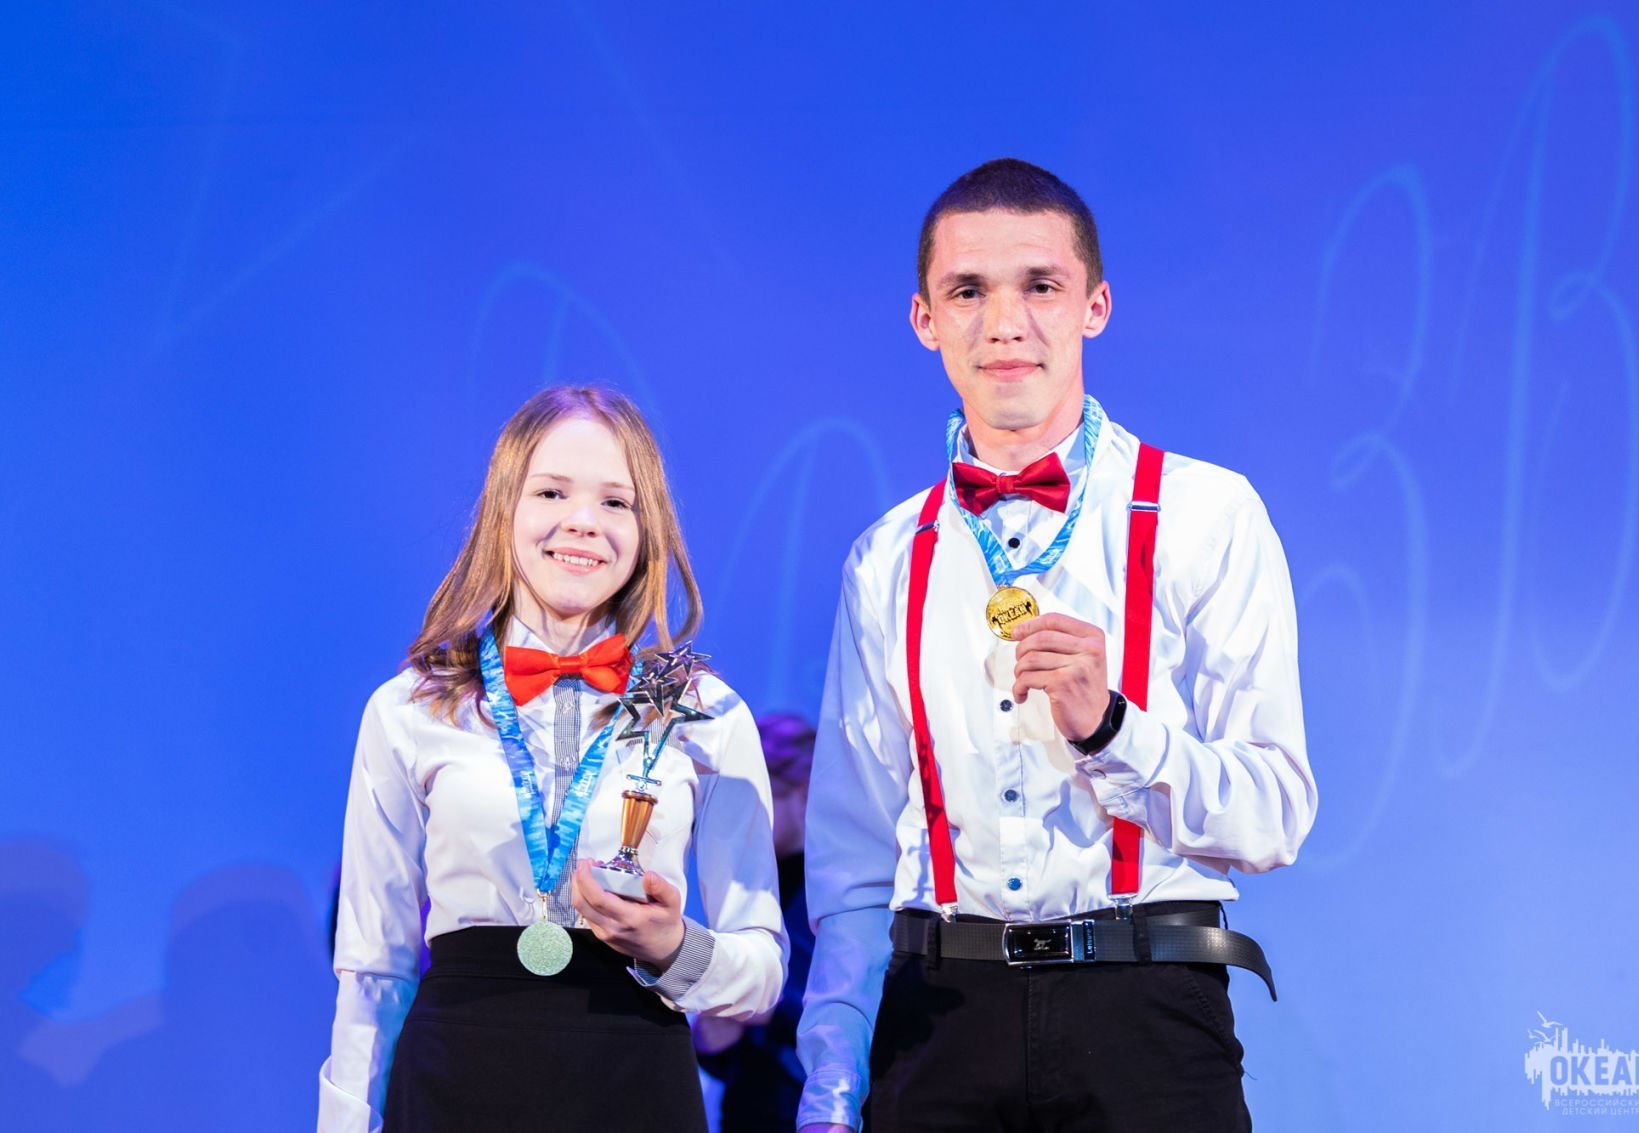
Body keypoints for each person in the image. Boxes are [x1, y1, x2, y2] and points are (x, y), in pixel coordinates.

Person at [796, 159, 1318, 1132]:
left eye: (1039, 285)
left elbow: (1273, 815)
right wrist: (830, 1085)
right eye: (968, 290)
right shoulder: (885, 557)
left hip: (1145, 1015)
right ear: (924, 319)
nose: (1005, 323)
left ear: (1094, 306)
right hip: (939, 1021)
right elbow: (852, 863)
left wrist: (1113, 727)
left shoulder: (1208, 513)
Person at [318, 386, 786, 1132]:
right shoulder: (410, 707)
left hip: (636, 1076)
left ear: (647, 528)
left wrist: (674, 948)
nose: (583, 521)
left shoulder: (705, 711)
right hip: (458, 1076)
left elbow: (761, 972)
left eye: (615, 501)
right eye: (552, 492)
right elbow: (373, 966)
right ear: (504, 509)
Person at [694, 713, 817, 1130]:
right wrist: (712, 1038)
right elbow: (724, 1054)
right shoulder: (745, 885)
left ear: (804, 793)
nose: (737, 825)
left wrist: (764, 1008)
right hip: (748, 1111)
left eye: (753, 805)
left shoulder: (837, 894)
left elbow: (865, 1019)